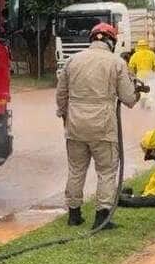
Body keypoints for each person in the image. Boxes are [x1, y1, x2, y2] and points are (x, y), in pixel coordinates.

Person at [56, 22, 142, 230]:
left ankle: (74, 215)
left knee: (76, 170)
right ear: (111, 42)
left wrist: (65, 115)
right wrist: (137, 91)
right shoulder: (116, 63)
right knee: (106, 171)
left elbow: (61, 95)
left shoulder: (72, 60)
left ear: (91, 39)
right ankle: (102, 216)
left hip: (75, 126)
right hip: (103, 127)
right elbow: (128, 98)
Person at [127, 39, 155, 109]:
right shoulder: (151, 53)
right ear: (146, 46)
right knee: (150, 92)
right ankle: (149, 107)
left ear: (138, 46)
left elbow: (130, 67)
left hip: (139, 77)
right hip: (150, 75)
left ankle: (142, 107)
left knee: (141, 92)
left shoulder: (135, 55)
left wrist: (132, 76)